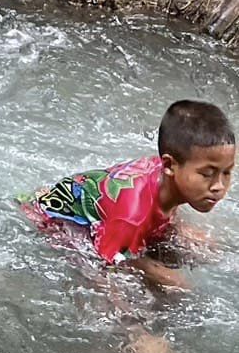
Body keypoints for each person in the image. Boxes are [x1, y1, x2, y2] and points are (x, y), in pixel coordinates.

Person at [19, 100, 234, 287]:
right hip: (56, 221)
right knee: (174, 285)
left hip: (109, 215)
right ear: (169, 165)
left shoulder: (171, 175)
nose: (219, 186)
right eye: (207, 174)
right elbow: (103, 274)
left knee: (206, 248)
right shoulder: (131, 214)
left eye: (227, 172)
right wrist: (133, 323)